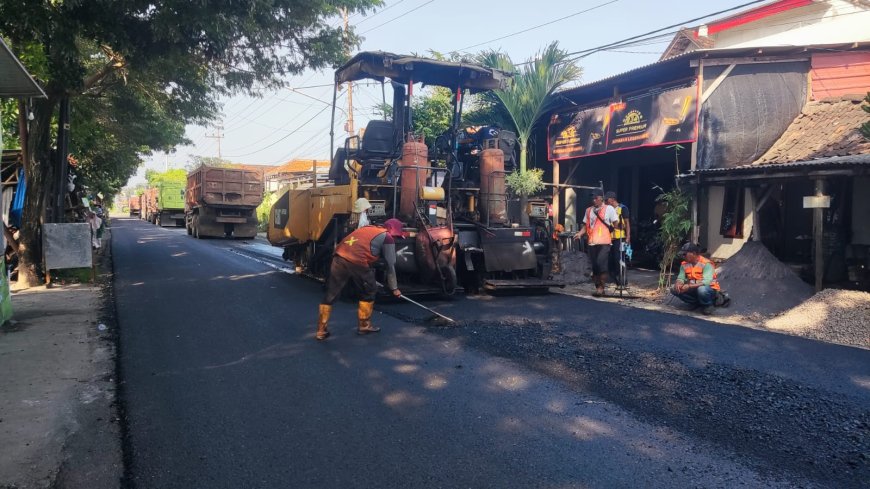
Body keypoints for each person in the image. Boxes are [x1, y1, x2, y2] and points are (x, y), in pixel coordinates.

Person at [315, 215, 404, 341]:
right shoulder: (387, 237)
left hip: (339, 257)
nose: (395, 238)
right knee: (369, 290)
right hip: (357, 261)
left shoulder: (367, 228)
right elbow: (391, 265)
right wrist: (394, 288)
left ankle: (321, 330)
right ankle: (364, 325)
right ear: (393, 230)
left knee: (331, 293)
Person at [574, 189, 618, 296]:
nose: (594, 200)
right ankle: (598, 286)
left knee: (600, 263)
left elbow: (615, 223)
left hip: (604, 242)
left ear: (601, 198)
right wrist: (580, 233)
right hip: (592, 242)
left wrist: (610, 230)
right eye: (592, 198)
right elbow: (585, 225)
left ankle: (601, 287)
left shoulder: (609, 209)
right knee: (594, 266)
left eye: (596, 198)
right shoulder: (588, 210)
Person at [671, 242, 722, 315]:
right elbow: (681, 277)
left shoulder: (706, 264)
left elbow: (707, 282)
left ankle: (708, 305)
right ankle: (695, 303)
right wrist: (678, 283)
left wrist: (689, 286)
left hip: (709, 289)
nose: (683, 256)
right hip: (694, 288)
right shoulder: (684, 264)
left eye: (685, 254)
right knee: (674, 288)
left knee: (702, 289)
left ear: (694, 253)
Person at [604, 191, 631, 286]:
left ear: (612, 199)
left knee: (619, 259)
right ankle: (614, 278)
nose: (606, 201)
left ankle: (622, 279)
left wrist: (628, 237)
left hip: (620, 238)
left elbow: (627, 223)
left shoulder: (622, 208)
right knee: (610, 259)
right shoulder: (608, 209)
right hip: (609, 238)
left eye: (607, 200)